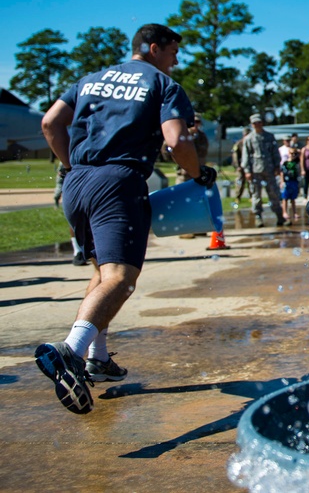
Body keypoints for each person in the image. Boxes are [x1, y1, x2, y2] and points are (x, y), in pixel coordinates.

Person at [35, 23, 215, 414]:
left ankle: (97, 358)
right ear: (153, 49)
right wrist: (198, 174)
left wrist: (75, 166)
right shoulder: (162, 85)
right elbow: (177, 141)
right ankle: (71, 351)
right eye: (172, 53)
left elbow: (50, 123)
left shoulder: (91, 79)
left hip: (76, 182)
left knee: (101, 273)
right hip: (119, 182)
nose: (176, 61)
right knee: (121, 278)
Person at [242, 113, 286, 228]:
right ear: (252, 124)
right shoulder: (249, 139)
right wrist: (247, 171)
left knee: (274, 193)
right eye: (254, 123)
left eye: (259, 122)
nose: (257, 125)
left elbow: (275, 152)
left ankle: (279, 215)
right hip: (255, 170)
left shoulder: (269, 137)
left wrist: (277, 166)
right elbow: (246, 155)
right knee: (256, 195)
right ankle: (258, 217)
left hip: (270, 169)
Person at [281, 147, 300, 223]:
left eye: (295, 154)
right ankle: (284, 212)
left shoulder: (297, 162)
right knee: (285, 198)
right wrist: (282, 182)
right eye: (291, 153)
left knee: (293, 198)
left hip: (294, 181)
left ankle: (294, 212)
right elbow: (282, 173)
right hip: (287, 182)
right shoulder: (285, 163)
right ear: (288, 154)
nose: (293, 155)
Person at [231, 127, 251, 199]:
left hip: (249, 166)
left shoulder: (251, 143)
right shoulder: (239, 144)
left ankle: (251, 196)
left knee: (250, 182)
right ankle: (238, 197)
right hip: (241, 165)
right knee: (240, 181)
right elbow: (235, 156)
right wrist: (237, 166)